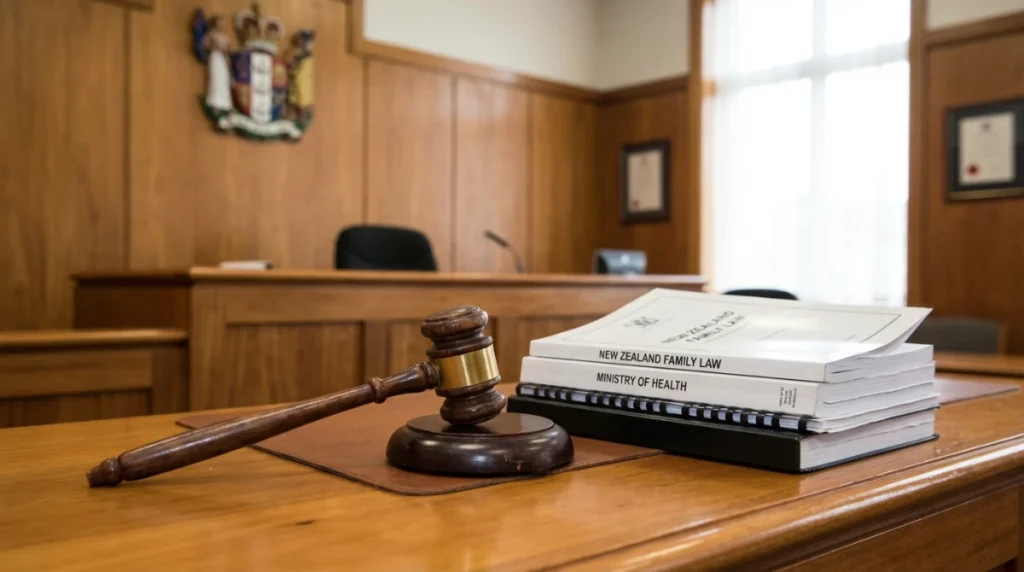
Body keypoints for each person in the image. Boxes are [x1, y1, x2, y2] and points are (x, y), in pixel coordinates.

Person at [203, 17, 233, 113]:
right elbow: (206, 46)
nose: (221, 25)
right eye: (219, 23)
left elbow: (227, 50)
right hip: (215, 56)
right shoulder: (211, 34)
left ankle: (225, 104)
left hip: (223, 58)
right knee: (216, 79)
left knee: (224, 79)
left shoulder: (225, 37)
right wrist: (215, 47)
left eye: (222, 23)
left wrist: (227, 59)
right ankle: (215, 104)